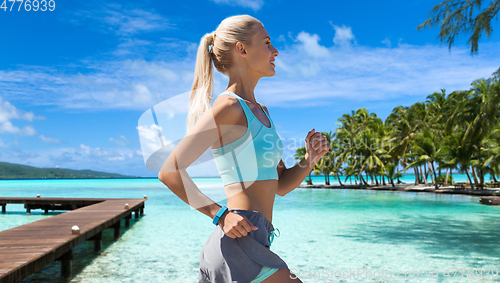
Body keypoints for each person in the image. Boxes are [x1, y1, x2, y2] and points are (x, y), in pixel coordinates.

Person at [158, 14, 330, 283]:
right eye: (267, 43)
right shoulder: (228, 107)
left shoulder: (263, 112)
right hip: (237, 241)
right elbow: (169, 170)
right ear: (242, 49)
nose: (275, 51)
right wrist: (219, 215)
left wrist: (310, 159)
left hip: (257, 239)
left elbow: (280, 186)